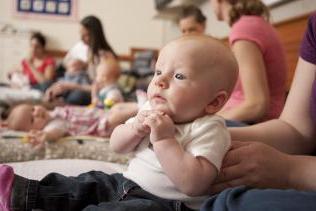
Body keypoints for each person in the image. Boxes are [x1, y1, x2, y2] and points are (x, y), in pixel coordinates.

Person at [0, 35, 238, 211]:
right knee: (85, 184)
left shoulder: (209, 128)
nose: (161, 81)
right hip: (124, 183)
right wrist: (134, 129)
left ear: (214, 102)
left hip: (164, 204)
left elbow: (193, 184)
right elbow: (117, 145)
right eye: (158, 72)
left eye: (179, 76)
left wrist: (165, 140)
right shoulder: (149, 109)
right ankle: (17, 191)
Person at [199, 12, 316, 211]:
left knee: (229, 201)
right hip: (286, 139)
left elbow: (257, 104)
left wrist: (290, 170)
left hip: (298, 163)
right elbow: (297, 129)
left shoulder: (243, 30)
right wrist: (209, 133)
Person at [210, 0, 287, 126]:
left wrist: (209, 119)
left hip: (256, 124)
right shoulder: (254, 24)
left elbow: (257, 104)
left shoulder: (244, 29)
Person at [46, 15, 119, 105]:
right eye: (81, 34)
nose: (81, 38)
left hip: (95, 91)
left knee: (76, 97)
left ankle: (64, 104)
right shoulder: (90, 51)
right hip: (86, 85)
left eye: (86, 35)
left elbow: (100, 87)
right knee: (53, 87)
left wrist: (71, 86)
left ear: (95, 35)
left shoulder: (106, 56)